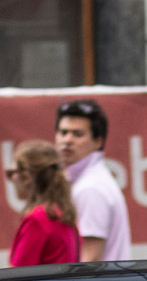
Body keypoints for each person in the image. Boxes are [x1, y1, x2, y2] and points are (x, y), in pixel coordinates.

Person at [55, 98, 131, 263]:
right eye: (63, 132)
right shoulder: (88, 181)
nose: (67, 140)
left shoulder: (91, 188)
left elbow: (90, 262)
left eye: (77, 134)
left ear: (98, 141)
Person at [5, 141, 79, 268]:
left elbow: (16, 279)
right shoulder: (61, 214)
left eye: (12, 173)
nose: (12, 179)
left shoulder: (37, 220)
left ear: (26, 176)